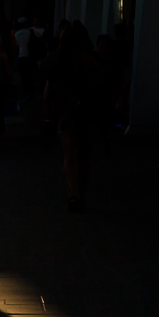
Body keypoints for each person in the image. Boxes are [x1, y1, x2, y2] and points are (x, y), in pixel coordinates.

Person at [44, 21, 101, 210]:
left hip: (67, 111)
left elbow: (49, 86)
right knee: (84, 156)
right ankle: (81, 194)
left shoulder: (59, 59)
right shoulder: (90, 59)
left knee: (70, 155)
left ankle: (73, 194)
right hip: (88, 111)